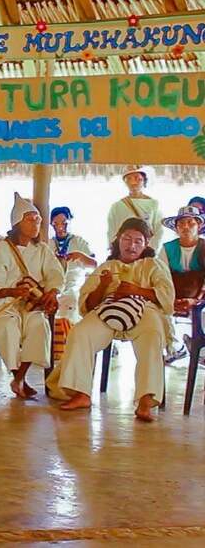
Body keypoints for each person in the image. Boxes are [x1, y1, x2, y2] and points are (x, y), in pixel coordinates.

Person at [57, 218, 174, 421]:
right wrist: (103, 286)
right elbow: (88, 305)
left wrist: (137, 290)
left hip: (146, 309)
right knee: (81, 331)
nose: (132, 245)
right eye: (127, 239)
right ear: (118, 239)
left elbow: (167, 296)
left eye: (138, 241)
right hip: (108, 310)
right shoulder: (107, 266)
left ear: (146, 244)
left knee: (153, 334)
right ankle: (81, 394)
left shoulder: (153, 265)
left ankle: (146, 399)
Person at [0, 194, 64, 399]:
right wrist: (13, 291)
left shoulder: (42, 250)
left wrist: (52, 292)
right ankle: (17, 376)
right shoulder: (1, 248)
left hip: (31, 304)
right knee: (7, 327)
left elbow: (56, 274)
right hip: (4, 303)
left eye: (38, 219)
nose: (36, 223)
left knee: (39, 325)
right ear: (17, 222)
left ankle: (19, 378)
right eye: (30, 219)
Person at [158, 206, 205, 363]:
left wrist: (196, 300)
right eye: (181, 224)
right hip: (172, 294)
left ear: (199, 226)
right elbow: (160, 277)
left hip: (200, 296)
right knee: (158, 311)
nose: (186, 227)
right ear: (176, 228)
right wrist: (170, 299)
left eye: (190, 223)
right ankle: (176, 348)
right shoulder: (167, 249)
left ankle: (201, 351)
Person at [107, 166, 163, 250]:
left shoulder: (153, 204)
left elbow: (159, 231)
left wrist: (149, 250)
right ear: (125, 182)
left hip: (146, 252)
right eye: (129, 179)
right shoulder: (117, 206)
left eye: (137, 178)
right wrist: (117, 251)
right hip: (123, 253)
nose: (133, 182)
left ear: (144, 181)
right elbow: (112, 232)